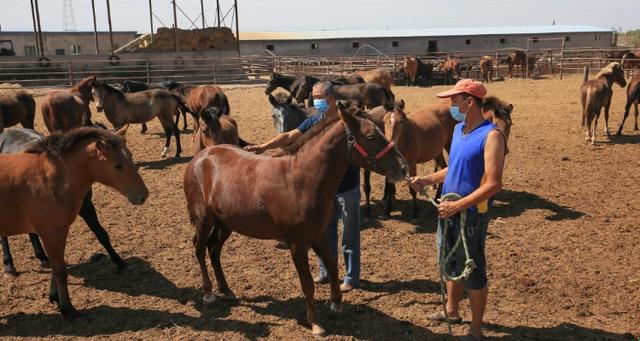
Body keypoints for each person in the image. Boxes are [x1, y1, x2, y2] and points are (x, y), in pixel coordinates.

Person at [409, 79, 506, 340]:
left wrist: (459, 205)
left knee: (472, 269)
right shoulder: (459, 130)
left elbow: (494, 184)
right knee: (451, 261)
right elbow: (454, 168)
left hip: (471, 214)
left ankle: (476, 329)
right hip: (450, 210)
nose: (451, 105)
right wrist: (427, 180)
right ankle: (451, 310)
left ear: (469, 102)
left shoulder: (492, 136)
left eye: (454, 100)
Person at [245, 81, 361, 293]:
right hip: (323, 190)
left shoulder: (348, 121)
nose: (315, 101)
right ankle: (326, 272)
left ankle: (351, 277)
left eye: (319, 98)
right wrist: (264, 146)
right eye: (314, 98)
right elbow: (290, 136)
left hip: (347, 186)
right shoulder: (315, 120)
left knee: (350, 234)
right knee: (324, 233)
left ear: (331, 99)